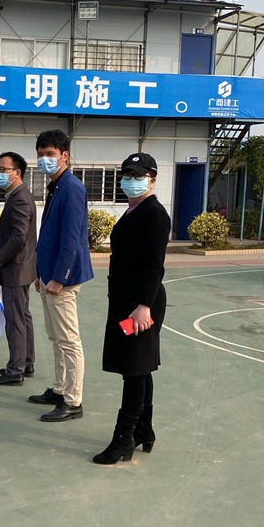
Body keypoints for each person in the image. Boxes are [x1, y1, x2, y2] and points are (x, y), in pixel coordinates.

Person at [94, 152, 170, 464]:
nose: (131, 180)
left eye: (138, 175)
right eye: (126, 175)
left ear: (152, 179)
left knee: (134, 369)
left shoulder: (154, 214)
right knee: (139, 367)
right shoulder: (133, 210)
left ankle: (123, 438)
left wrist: (143, 306)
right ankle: (144, 430)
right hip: (126, 300)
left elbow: (154, 265)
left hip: (141, 304)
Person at [28, 129, 93, 422]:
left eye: (50, 154)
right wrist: (42, 274)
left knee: (68, 340)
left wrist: (60, 277)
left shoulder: (72, 188)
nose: (44, 159)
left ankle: (73, 400)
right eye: (41, 154)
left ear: (64, 155)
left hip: (62, 280)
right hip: (49, 276)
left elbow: (72, 240)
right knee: (55, 337)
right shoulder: (56, 185)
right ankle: (59, 389)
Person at [0, 151, 37, 385]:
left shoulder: (20, 198)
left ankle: (15, 371)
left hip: (15, 269)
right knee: (23, 316)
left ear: (17, 173)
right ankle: (26, 362)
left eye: (3, 169)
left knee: (15, 319)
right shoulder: (18, 195)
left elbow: (18, 237)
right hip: (21, 268)